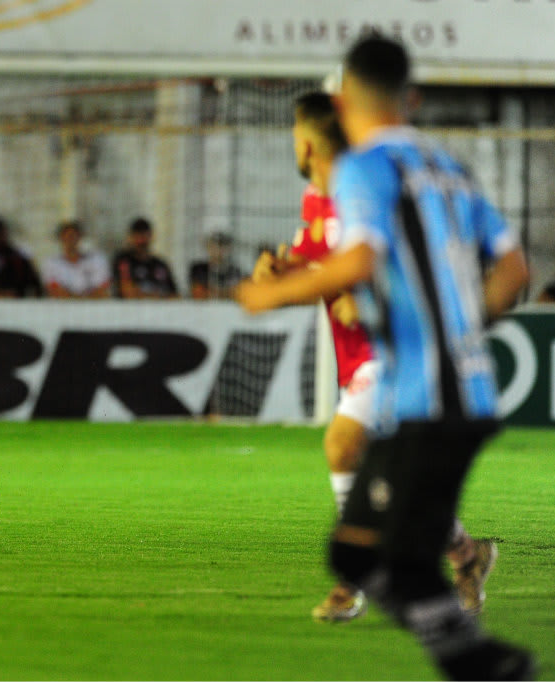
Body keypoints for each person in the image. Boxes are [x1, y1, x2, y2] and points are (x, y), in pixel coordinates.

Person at [235, 37, 533, 679]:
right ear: (413, 98)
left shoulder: (361, 170)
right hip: (462, 394)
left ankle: (490, 665)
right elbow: (513, 269)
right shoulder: (447, 166)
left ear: (341, 104)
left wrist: (271, 294)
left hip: (426, 396)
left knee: (382, 550)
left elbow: (361, 261)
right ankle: (481, 642)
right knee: (368, 549)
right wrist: (457, 328)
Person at [253, 91, 497, 623]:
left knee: (341, 447)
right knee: (397, 489)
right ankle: (467, 554)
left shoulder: (367, 189)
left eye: (296, 136)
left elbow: (400, 265)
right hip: (356, 356)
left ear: (310, 142)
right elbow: (312, 258)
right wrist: (279, 271)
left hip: (395, 352)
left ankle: (352, 581)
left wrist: (356, 294)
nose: (293, 145)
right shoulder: (317, 202)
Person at [42, 220, 111, 298]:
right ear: (61, 238)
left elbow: (102, 289)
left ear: (80, 237)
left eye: (73, 236)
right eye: (66, 236)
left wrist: (83, 300)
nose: (70, 240)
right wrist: (75, 299)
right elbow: (54, 290)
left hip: (92, 306)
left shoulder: (97, 260)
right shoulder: (51, 263)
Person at [112, 217, 178, 299]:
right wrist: (156, 296)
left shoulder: (161, 264)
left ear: (151, 237)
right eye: (138, 237)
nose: (141, 241)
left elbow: (175, 295)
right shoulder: (124, 260)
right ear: (131, 238)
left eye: (144, 236)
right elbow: (127, 291)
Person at [189, 232, 244, 299]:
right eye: (214, 246)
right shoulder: (198, 269)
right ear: (208, 247)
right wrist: (226, 292)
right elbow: (198, 291)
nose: (218, 250)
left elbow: (238, 292)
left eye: (221, 246)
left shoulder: (234, 270)